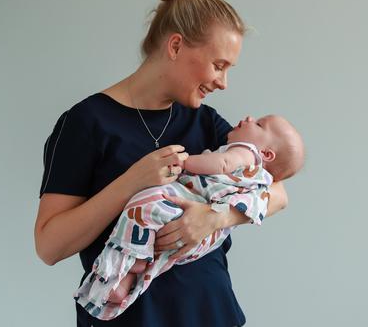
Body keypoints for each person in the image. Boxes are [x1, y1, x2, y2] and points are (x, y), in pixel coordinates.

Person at [34, 0, 290, 327]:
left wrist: (216, 217)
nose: (223, 82)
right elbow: (49, 245)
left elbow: (277, 192)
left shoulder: (206, 123)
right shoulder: (86, 123)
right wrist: (131, 182)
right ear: (175, 46)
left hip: (212, 314)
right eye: (219, 65)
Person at [74, 114, 304, 320]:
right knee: (157, 249)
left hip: (192, 220)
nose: (249, 117)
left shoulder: (245, 152)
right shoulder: (90, 119)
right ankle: (127, 276)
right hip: (200, 249)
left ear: (266, 154)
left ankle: (118, 277)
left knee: (143, 207)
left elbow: (224, 165)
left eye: (259, 124)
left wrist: (185, 164)